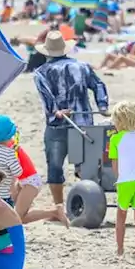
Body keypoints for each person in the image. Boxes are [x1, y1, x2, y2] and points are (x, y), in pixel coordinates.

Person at [33, 30, 110, 207]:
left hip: (57, 126)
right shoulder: (82, 66)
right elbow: (98, 85)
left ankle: (59, 206)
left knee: (55, 166)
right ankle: (88, 203)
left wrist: (56, 111)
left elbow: (47, 98)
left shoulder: (41, 72)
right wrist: (102, 106)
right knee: (86, 165)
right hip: (83, 122)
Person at [0, 115, 65, 225]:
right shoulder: (10, 147)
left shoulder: (6, 150)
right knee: (13, 215)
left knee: (18, 217)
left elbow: (17, 172)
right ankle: (54, 212)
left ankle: (54, 212)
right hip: (23, 180)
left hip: (30, 181)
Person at [108, 101, 135, 255]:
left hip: (125, 181)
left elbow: (115, 163)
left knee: (121, 215)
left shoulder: (115, 139)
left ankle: (120, 249)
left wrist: (118, 177)